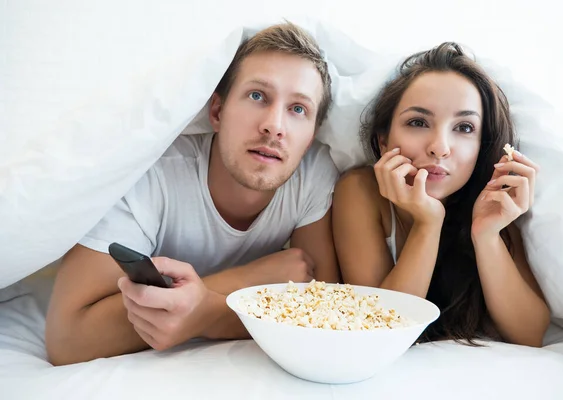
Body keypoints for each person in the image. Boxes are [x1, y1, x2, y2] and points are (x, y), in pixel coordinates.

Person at [45, 22, 341, 365]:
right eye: (257, 96)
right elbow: (68, 340)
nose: (275, 126)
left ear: (312, 134)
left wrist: (207, 312)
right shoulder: (153, 177)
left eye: (298, 109)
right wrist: (244, 283)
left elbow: (322, 314)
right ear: (216, 111)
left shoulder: (313, 175)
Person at [332, 42, 550, 347]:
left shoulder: (490, 200)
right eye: (418, 122)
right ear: (383, 142)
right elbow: (381, 328)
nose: (439, 146)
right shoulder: (359, 191)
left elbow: (530, 333)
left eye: (463, 127)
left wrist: (486, 236)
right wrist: (428, 222)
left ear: (481, 147)